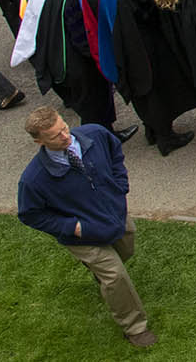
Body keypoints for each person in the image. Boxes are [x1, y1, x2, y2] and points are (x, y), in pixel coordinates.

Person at [17, 104, 158, 347]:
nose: (65, 136)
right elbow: (30, 214)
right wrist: (73, 227)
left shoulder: (95, 134)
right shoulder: (33, 179)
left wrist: (120, 187)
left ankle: (101, 276)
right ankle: (135, 328)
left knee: (126, 250)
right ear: (39, 142)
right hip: (82, 235)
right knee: (115, 276)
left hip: (114, 215)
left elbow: (115, 153)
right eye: (55, 136)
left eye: (64, 128)